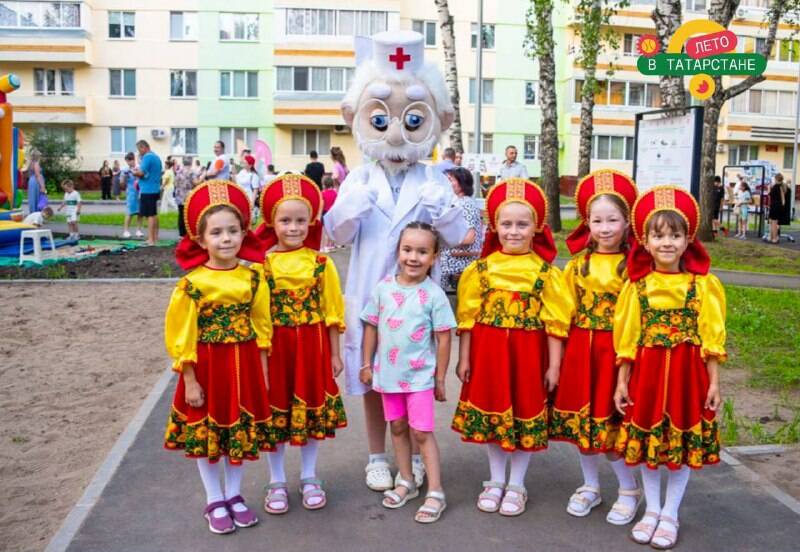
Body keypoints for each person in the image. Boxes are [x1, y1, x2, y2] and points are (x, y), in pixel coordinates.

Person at [324, 30, 468, 492]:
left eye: (412, 118)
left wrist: (445, 210)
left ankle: (416, 454)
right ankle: (376, 456)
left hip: (418, 304)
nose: (397, 132)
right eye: (382, 119)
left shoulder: (434, 178)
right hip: (372, 296)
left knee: (414, 380)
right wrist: (349, 208)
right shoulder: (359, 178)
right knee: (371, 377)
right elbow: (335, 235)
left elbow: (460, 238)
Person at [614, 186, 725, 549]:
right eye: (658, 236)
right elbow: (627, 338)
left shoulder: (703, 285)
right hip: (646, 375)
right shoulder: (637, 286)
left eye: (675, 236)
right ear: (645, 242)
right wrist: (622, 382)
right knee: (648, 444)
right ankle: (651, 509)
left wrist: (714, 383)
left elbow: (711, 337)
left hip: (687, 376)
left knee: (682, 445)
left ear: (688, 240)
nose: (667, 243)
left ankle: (671, 513)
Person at [452, 179, 569, 517]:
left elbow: (555, 324)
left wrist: (554, 366)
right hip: (488, 355)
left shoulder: (546, 273)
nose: (513, 232)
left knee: (524, 412)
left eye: (522, 224)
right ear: (494, 226)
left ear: (537, 227)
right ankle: (495, 479)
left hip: (529, 356)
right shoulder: (480, 270)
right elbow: (468, 319)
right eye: (506, 224)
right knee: (494, 414)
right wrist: (464, 359)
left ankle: (517, 483)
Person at [164, 180, 271, 535]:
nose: (226, 239)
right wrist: (190, 379)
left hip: (244, 366)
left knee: (237, 433)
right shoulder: (192, 284)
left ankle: (234, 494)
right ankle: (214, 498)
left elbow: (262, 324)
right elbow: (182, 334)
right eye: (217, 232)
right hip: (208, 367)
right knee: (209, 434)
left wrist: (263, 371)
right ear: (201, 240)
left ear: (244, 233)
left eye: (233, 231)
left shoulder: (253, 278)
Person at [550, 170, 641, 525]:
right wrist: (557, 362)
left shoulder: (635, 269)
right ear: (586, 223)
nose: (604, 228)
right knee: (583, 425)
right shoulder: (577, 266)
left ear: (627, 222)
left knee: (613, 426)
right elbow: (561, 314)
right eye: (597, 220)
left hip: (616, 354)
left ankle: (629, 489)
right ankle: (590, 485)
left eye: (612, 220)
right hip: (581, 352)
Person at [252, 175, 347, 514]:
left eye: (300, 221)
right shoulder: (262, 265)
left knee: (309, 412)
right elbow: (258, 316)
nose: (293, 228)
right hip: (277, 349)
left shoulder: (321, 263)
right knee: (276, 409)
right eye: (285, 221)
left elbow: (332, 311)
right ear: (271, 222)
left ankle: (309, 475)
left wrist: (335, 353)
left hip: (312, 347)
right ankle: (276, 478)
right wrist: (261, 358)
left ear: (311, 222)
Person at [360, 222, 456, 523]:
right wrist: (366, 364)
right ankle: (407, 481)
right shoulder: (383, 289)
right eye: (407, 250)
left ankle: (436, 491)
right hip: (388, 376)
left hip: (419, 380)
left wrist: (440, 378)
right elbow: (371, 326)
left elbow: (443, 338)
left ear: (434, 257)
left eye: (422, 252)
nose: (413, 257)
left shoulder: (434, 295)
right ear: (398, 252)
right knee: (398, 427)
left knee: (421, 432)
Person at [439, 167, 482, 290]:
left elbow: (469, 238)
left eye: (451, 180)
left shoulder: (465, 204)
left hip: (457, 265)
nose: (447, 183)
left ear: (461, 183)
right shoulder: (461, 202)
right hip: (454, 263)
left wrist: (441, 239)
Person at [133, 140, 163, 246]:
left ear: (144, 147)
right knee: (154, 214)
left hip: (147, 189)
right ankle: (155, 237)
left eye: (139, 149)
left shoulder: (147, 157)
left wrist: (134, 172)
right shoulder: (157, 157)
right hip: (155, 188)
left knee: (149, 215)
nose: (139, 152)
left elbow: (141, 173)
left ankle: (151, 239)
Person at [174, 157, 199, 237]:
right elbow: (196, 182)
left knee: (181, 214)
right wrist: (203, 176)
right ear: (191, 162)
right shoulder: (192, 172)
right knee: (189, 215)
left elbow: (175, 183)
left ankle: (181, 234)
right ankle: (188, 233)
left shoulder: (179, 171)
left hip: (179, 195)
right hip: (188, 196)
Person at [121, 152, 143, 239]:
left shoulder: (139, 168)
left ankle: (138, 230)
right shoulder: (125, 170)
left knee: (140, 212)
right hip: (131, 192)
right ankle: (126, 231)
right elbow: (122, 183)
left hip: (139, 192)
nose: (128, 163)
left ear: (133, 159)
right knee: (129, 212)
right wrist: (124, 178)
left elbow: (142, 177)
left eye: (129, 161)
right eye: (127, 161)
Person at [236, 155, 262, 219]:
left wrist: (252, 202)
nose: (243, 163)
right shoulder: (241, 172)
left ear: (250, 165)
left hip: (248, 197)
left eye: (245, 162)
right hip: (239, 197)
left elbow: (255, 190)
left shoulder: (254, 175)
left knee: (248, 216)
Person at [768, 173, 791, 244]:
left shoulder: (776, 186)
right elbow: (783, 199)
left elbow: (770, 195)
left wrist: (769, 188)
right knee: (774, 223)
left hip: (774, 206)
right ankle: (772, 238)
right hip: (779, 206)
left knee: (773, 224)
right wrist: (782, 206)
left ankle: (774, 238)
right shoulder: (782, 186)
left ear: (775, 179)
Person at [320, 175, 338, 252]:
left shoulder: (322, 193)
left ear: (324, 185)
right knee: (331, 229)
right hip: (332, 213)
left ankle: (323, 246)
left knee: (323, 231)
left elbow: (322, 205)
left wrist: (319, 214)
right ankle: (331, 245)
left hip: (325, 213)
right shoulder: (335, 193)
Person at [26, 149, 46, 214]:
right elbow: (37, 175)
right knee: (37, 197)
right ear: (38, 156)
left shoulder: (30, 164)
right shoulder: (36, 164)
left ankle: (33, 212)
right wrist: (42, 186)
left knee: (33, 197)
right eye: (40, 156)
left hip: (31, 181)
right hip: (36, 182)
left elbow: (29, 174)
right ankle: (37, 213)